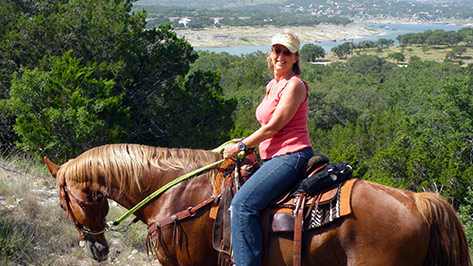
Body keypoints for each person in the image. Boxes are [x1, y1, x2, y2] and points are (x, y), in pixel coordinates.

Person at [223, 30, 313, 266]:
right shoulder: (272, 85)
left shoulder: (295, 86)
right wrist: (247, 142)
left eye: (287, 52)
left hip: (290, 156)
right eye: (277, 50)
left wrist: (243, 145)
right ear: (271, 53)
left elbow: (274, 126)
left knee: (242, 206)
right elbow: (265, 125)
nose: (280, 56)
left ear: (296, 57)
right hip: (273, 156)